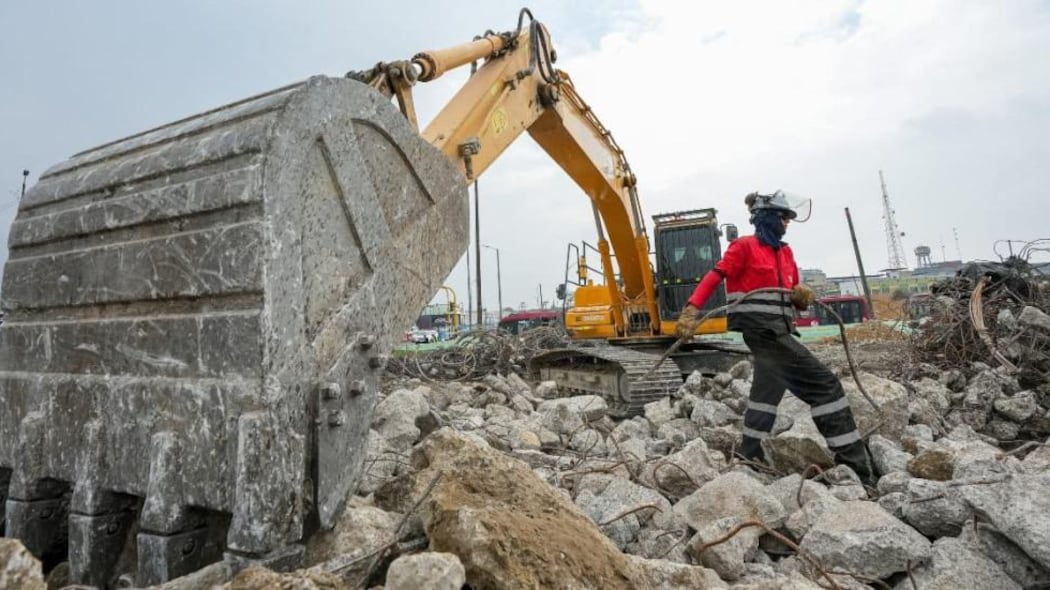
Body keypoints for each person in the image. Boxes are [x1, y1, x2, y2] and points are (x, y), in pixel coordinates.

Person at [676, 191, 875, 485]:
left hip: (780, 329)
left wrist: (801, 296)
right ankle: (855, 467)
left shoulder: (786, 253)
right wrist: (692, 308)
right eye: (784, 218)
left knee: (766, 394)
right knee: (826, 387)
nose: (787, 224)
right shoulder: (743, 247)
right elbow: (714, 276)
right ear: (767, 218)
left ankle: (749, 453)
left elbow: (792, 292)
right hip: (761, 330)